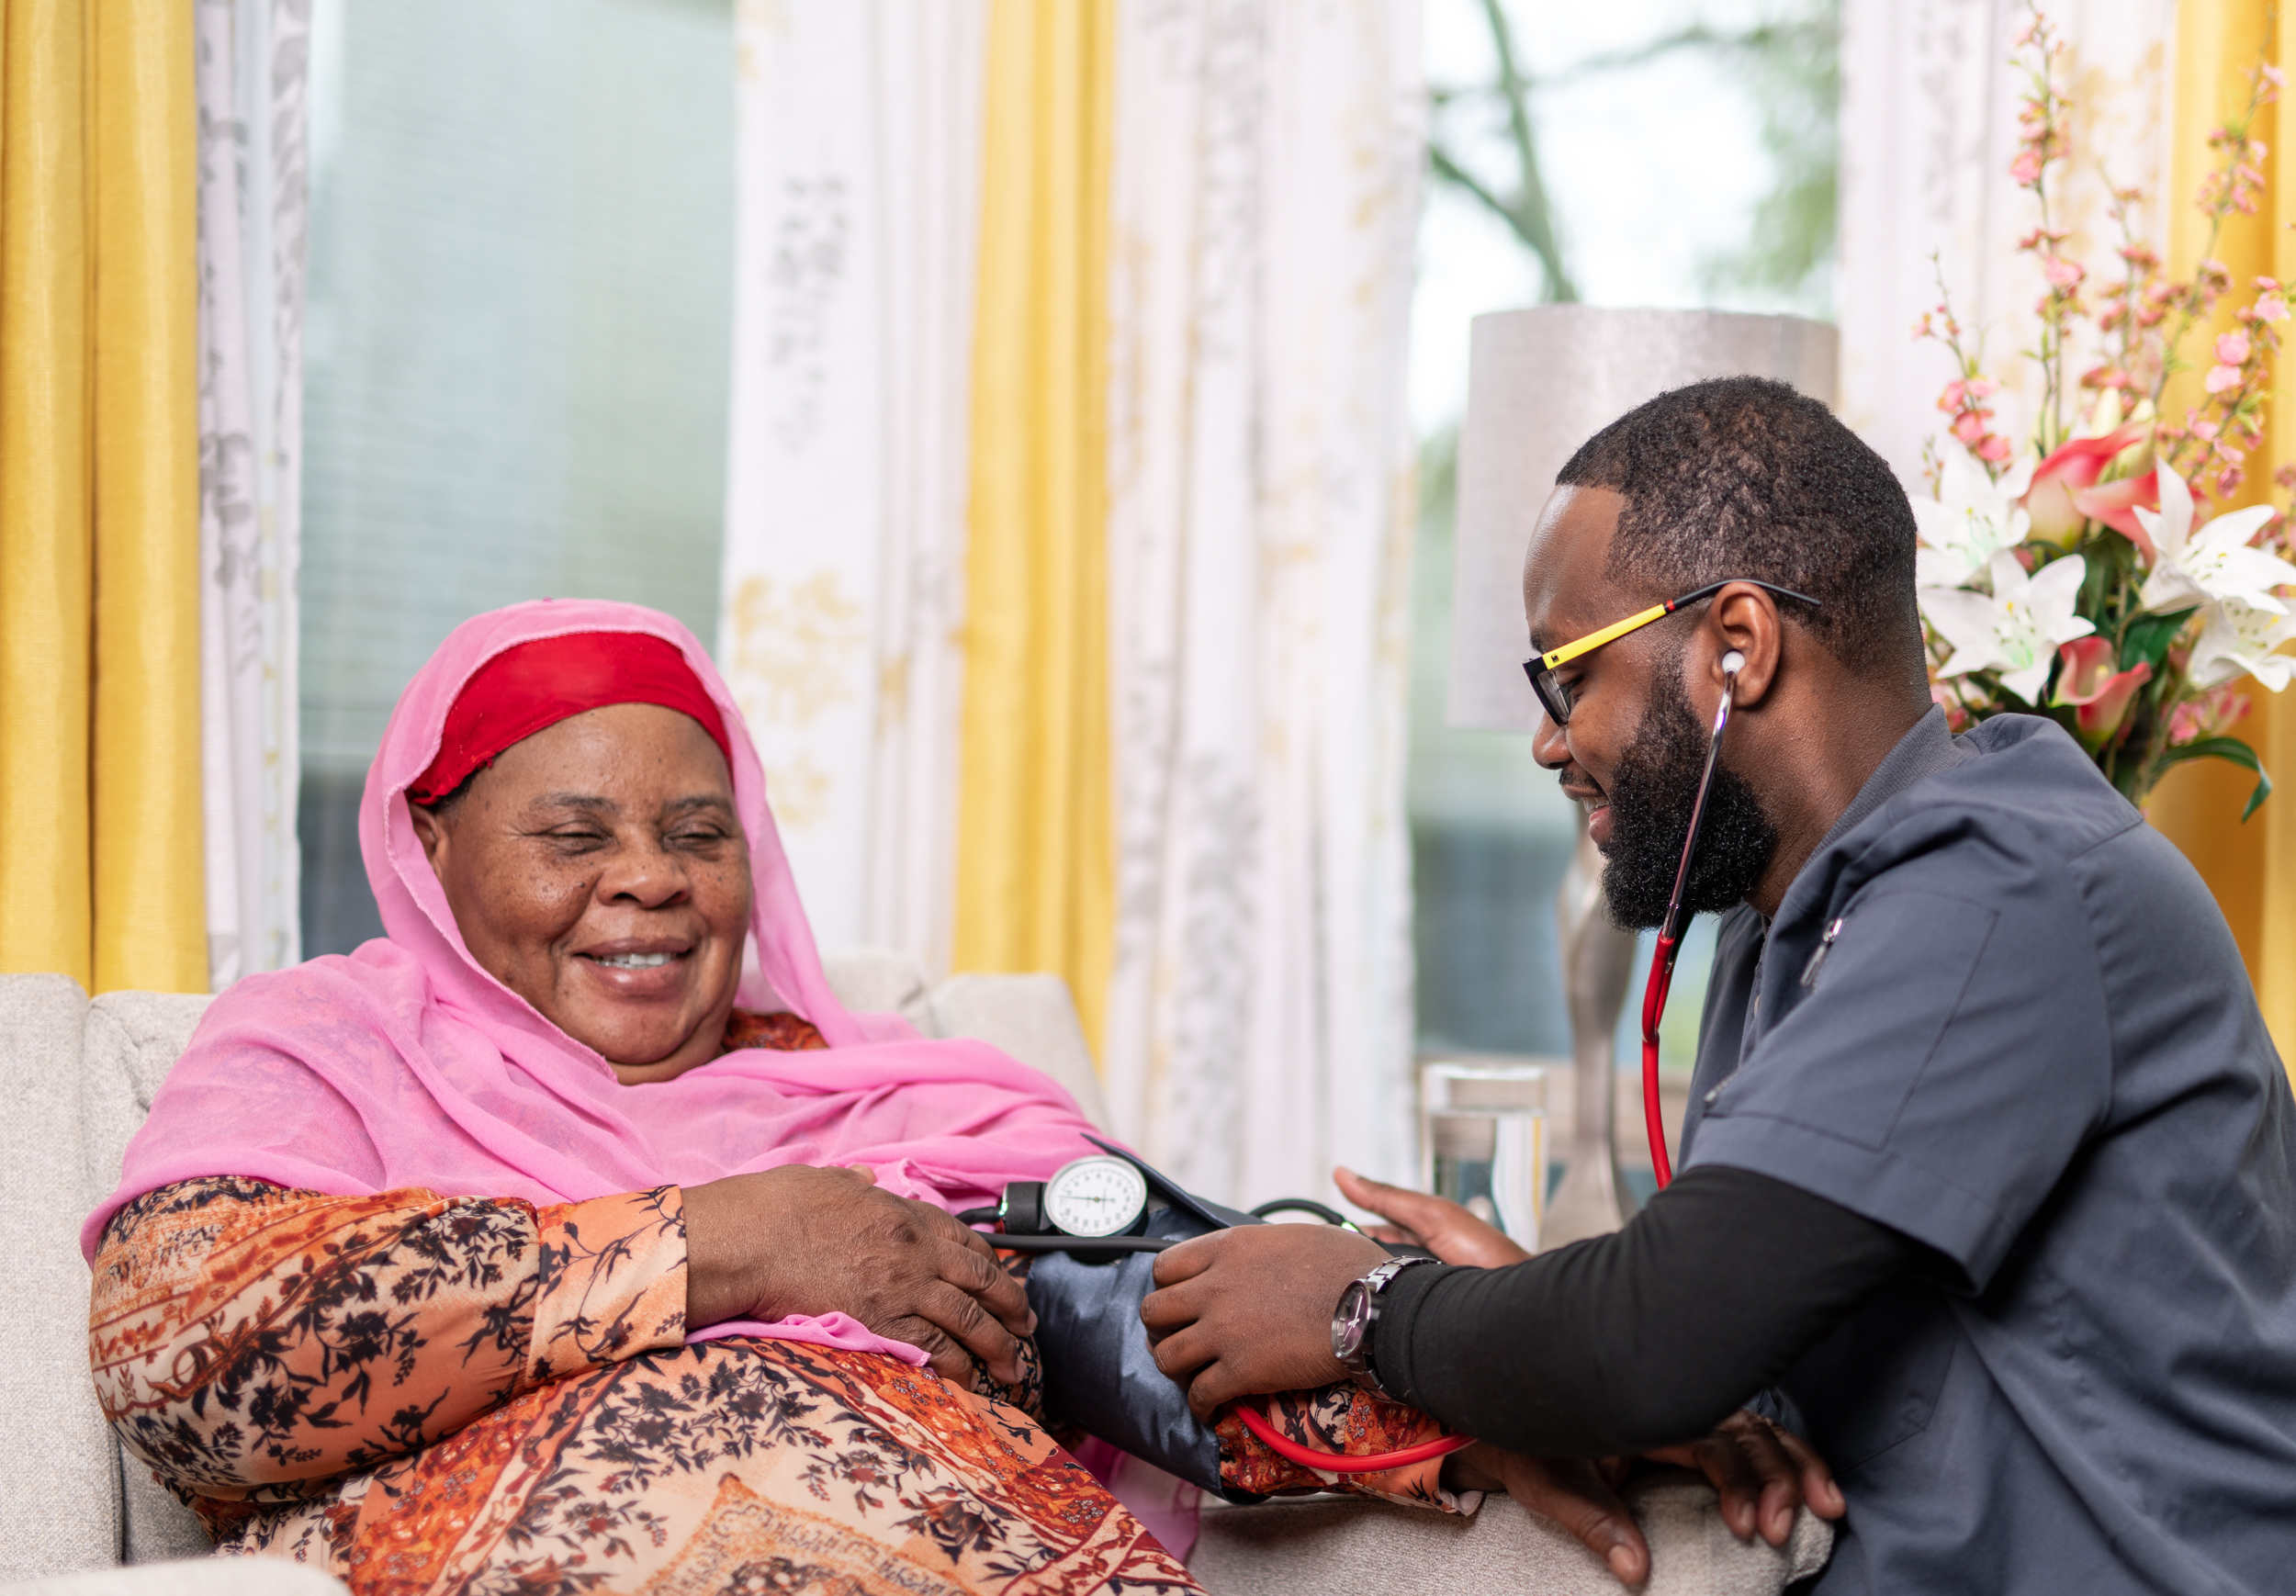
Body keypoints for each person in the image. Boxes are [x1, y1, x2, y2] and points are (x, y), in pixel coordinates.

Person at [1139, 377, 2296, 1595]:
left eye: (1565, 675)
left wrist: (1366, 1309)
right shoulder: (1786, 918)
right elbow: (1731, 1322)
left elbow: (1661, 1332)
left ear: (1737, 645)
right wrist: (1578, 1344)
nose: (1546, 738)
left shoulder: (2001, 888)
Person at [86, 600, 1467, 1596]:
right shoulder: (326, 1048)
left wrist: (1468, 1383)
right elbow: (190, 1355)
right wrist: (734, 1241)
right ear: (429, 843)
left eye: (698, 833)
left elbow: (1139, 1312)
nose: (649, 878)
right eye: (574, 836)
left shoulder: (887, 1094)